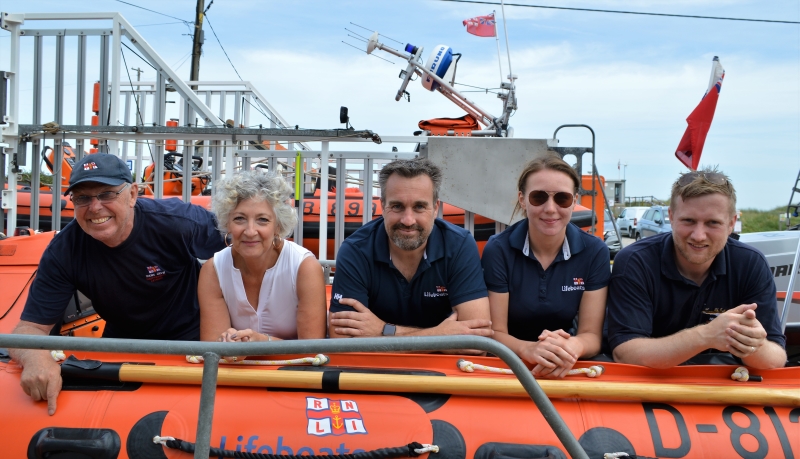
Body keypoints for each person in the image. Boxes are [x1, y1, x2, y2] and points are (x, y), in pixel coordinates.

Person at [9, 153, 226, 415]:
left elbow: (249, 251)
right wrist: (35, 358)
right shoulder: (64, 251)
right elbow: (30, 327)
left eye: (107, 194)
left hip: (191, 345)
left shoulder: (178, 222)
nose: (95, 207)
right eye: (83, 198)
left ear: (133, 194)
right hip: (121, 346)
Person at [606, 168, 787, 369]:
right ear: (672, 217)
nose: (699, 235)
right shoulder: (636, 262)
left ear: (731, 224)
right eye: (688, 221)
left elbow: (776, 359)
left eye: (713, 223)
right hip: (651, 385)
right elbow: (624, 353)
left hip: (724, 386)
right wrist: (706, 336)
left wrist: (753, 344)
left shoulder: (751, 264)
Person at [328, 158, 492, 342]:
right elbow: (342, 341)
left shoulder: (459, 244)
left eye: (419, 207)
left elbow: (477, 342)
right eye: (397, 206)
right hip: (373, 369)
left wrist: (383, 331)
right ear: (383, 206)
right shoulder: (356, 250)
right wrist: (439, 337)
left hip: (443, 368)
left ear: (436, 208)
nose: (408, 220)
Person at [481, 155, 609, 378]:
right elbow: (495, 332)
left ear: (575, 200)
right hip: (510, 361)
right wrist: (527, 349)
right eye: (539, 197)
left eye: (562, 198)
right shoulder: (498, 250)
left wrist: (571, 348)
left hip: (565, 360)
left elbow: (591, 335)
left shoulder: (594, 251)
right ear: (522, 199)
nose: (550, 208)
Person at [199, 171, 326, 346]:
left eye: (262, 220)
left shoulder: (304, 267)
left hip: (293, 372)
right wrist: (226, 343)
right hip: (236, 371)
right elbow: (212, 349)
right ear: (227, 222)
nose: (250, 231)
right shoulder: (213, 271)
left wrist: (262, 343)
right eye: (239, 219)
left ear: (278, 225)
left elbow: (313, 349)